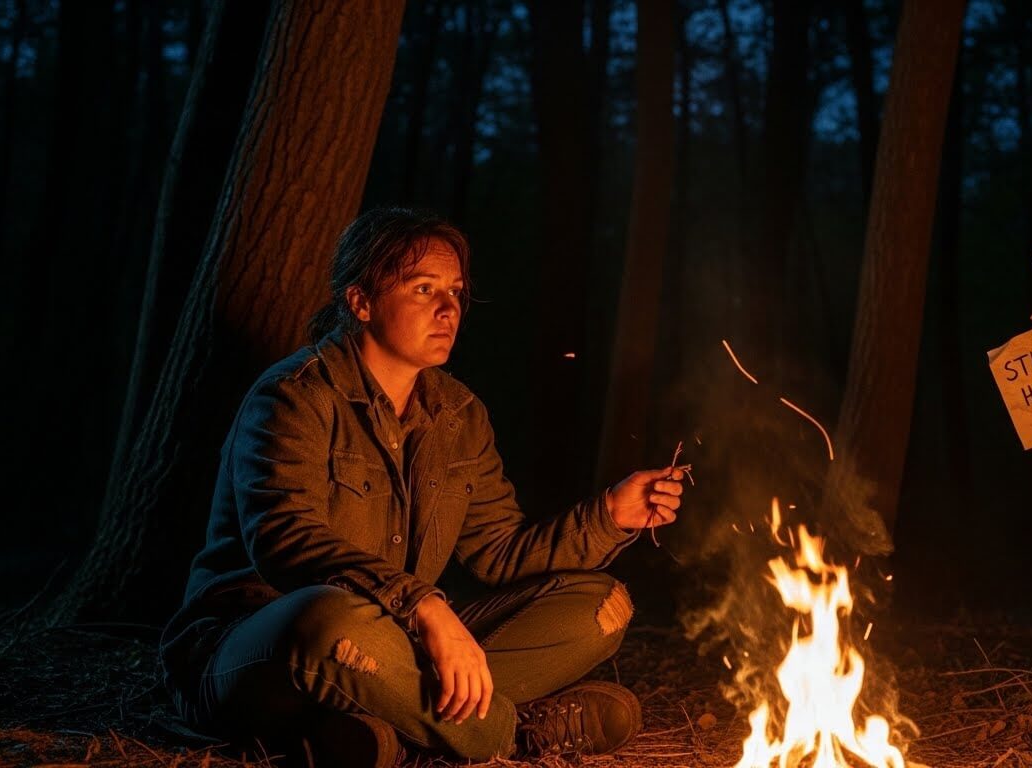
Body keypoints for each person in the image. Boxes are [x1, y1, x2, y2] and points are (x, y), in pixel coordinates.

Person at [159, 207, 686, 768]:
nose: (449, 308)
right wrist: (426, 607)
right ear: (361, 302)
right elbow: (284, 539)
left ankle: (385, 727)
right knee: (328, 620)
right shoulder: (293, 396)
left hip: (394, 644)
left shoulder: (459, 415)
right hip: (259, 641)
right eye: (424, 289)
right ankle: (511, 734)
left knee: (599, 605)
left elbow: (500, 552)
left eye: (455, 291)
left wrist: (610, 515)